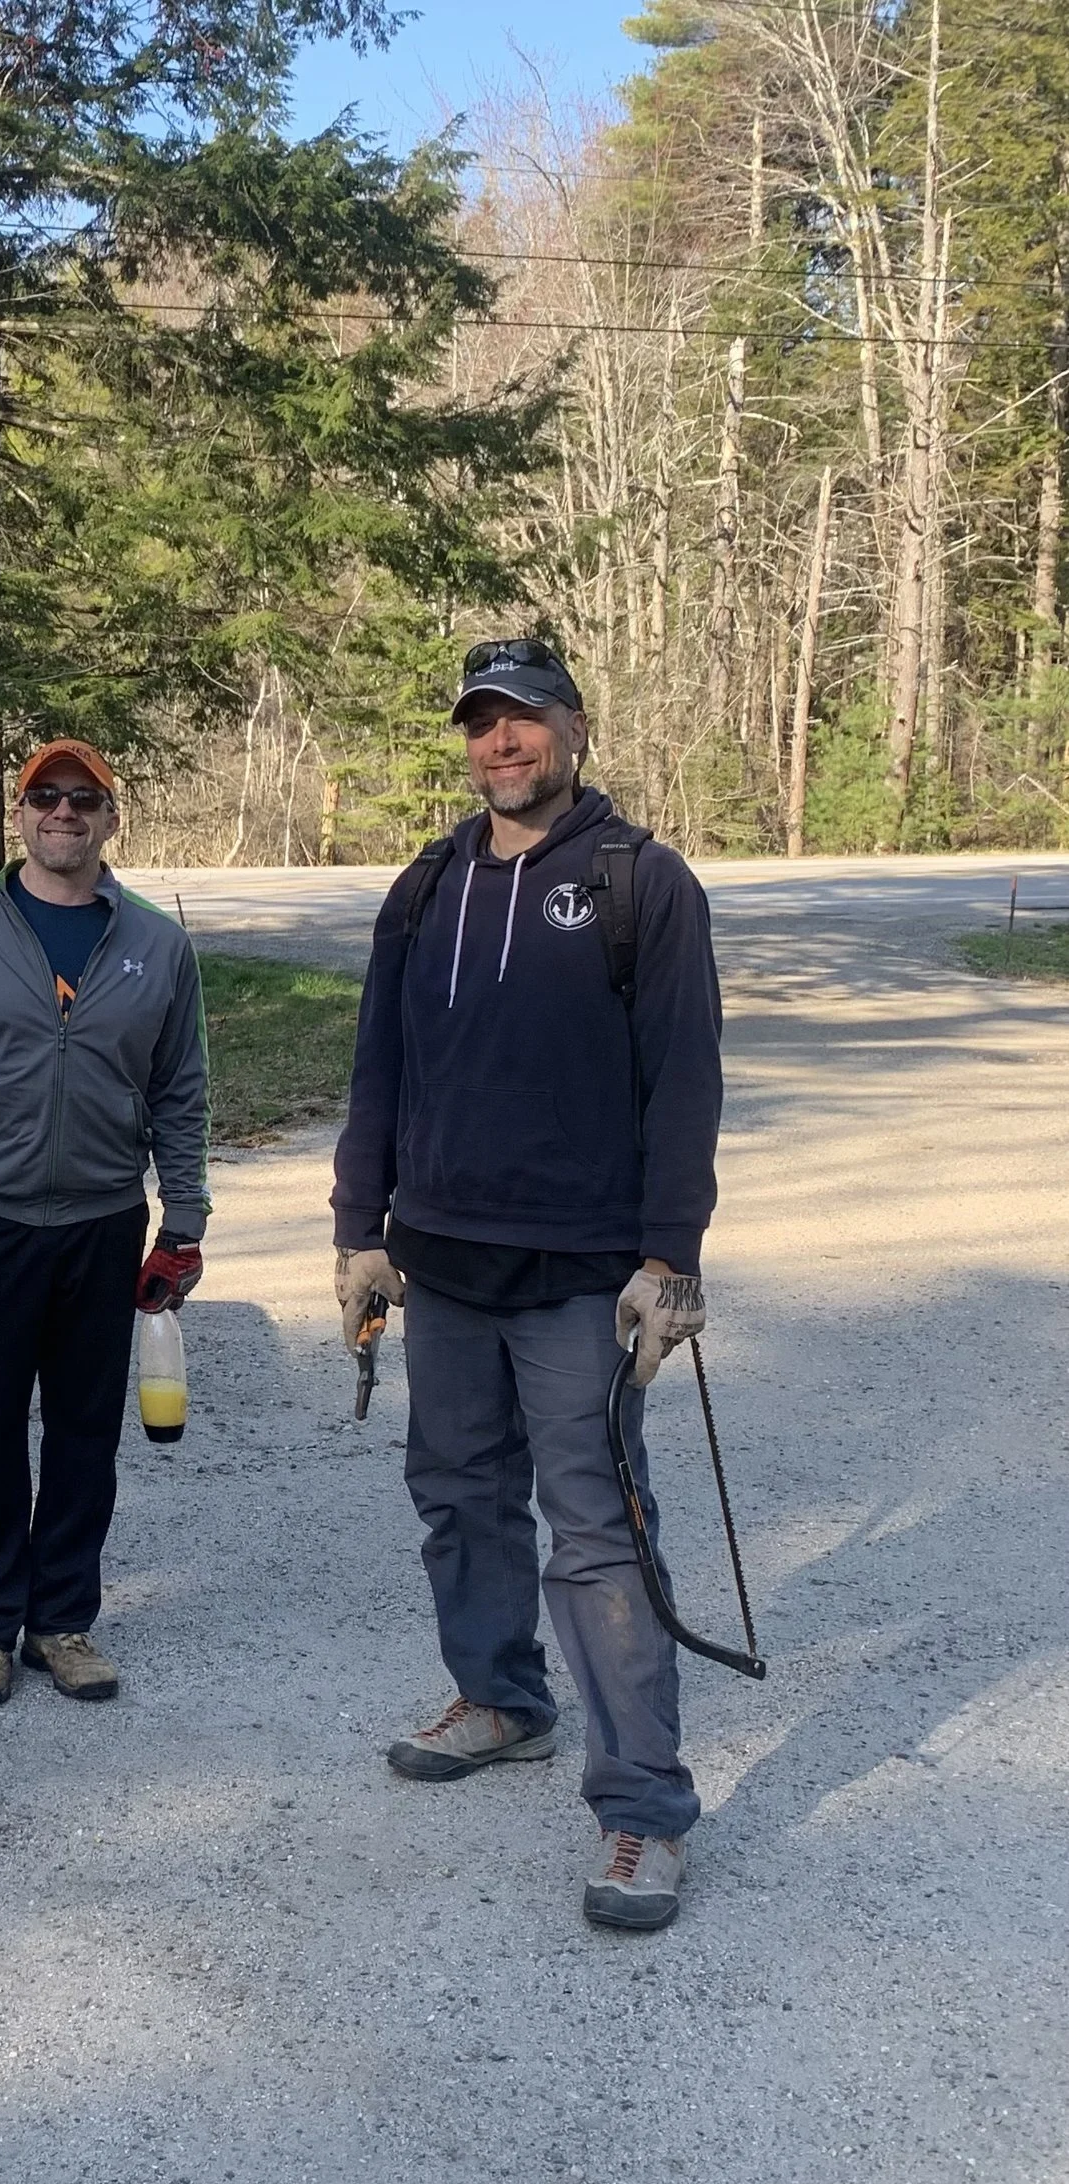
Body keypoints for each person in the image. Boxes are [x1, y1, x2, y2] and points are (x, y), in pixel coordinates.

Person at [329, 637, 725, 1932]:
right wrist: (359, 1228)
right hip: (442, 1264)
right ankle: (501, 1699)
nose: (503, 743)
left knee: (600, 1538)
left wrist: (671, 1262)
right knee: (456, 1495)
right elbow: (379, 1068)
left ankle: (643, 1811)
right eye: (482, 724)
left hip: (576, 1277)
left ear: (573, 727)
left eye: (526, 720)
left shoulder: (638, 884)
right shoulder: (426, 884)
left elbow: (684, 1084)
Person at [0, 739, 210, 1707]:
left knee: (80, 1433)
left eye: (84, 799)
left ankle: (61, 1621)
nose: (63, 813)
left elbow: (182, 1094)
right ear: (17, 815)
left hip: (106, 1222)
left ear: (111, 818)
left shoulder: (157, 944)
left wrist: (180, 1225)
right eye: (45, 797)